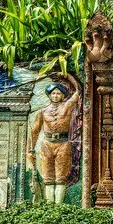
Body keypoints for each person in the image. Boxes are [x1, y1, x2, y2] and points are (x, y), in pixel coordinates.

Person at [29, 74, 80, 203]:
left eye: (58, 93)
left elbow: (79, 91)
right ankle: (49, 206)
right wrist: (30, 148)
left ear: (63, 96)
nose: (56, 96)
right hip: (47, 145)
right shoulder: (43, 112)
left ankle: (58, 207)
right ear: (49, 96)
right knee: (48, 178)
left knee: (61, 178)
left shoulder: (67, 107)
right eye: (53, 93)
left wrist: (68, 77)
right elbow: (35, 131)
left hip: (63, 145)